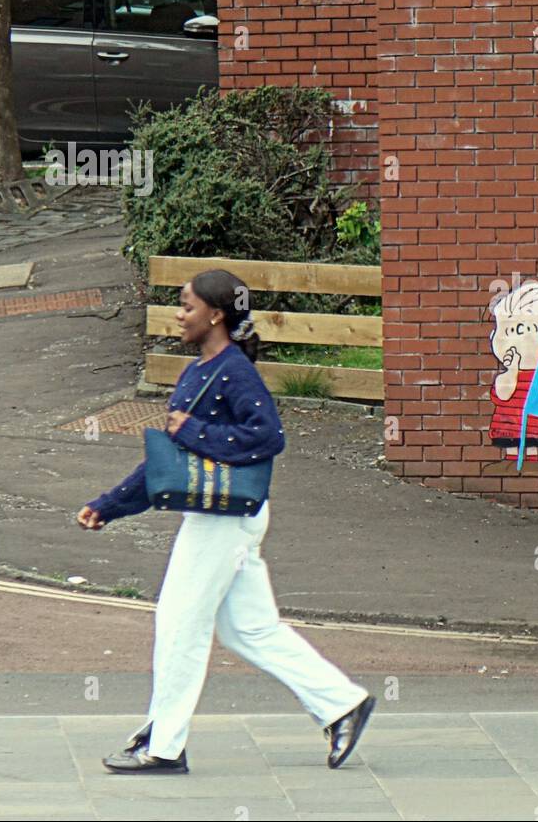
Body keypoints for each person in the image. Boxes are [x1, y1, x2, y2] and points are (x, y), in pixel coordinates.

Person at [77, 269, 376, 774]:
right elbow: (170, 461)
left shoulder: (234, 371)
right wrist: (110, 505)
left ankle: (164, 743)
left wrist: (195, 430)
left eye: (188, 306)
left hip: (224, 521)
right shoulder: (200, 369)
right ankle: (342, 704)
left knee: (179, 624)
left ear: (215, 314)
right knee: (250, 630)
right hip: (226, 518)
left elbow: (268, 436)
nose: (179, 314)